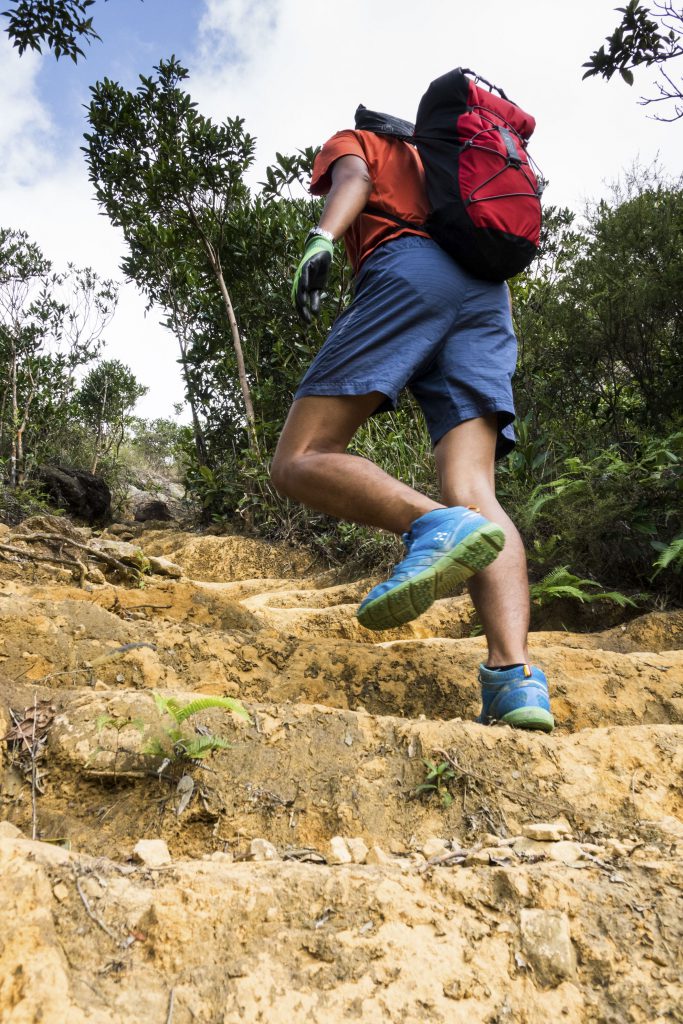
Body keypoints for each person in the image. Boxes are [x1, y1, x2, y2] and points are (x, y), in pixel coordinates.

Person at [270, 121, 554, 732]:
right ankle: (516, 681)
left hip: (410, 270)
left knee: (300, 457)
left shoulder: (361, 139)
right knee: (476, 491)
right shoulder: (449, 167)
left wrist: (323, 239)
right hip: (488, 297)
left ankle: (432, 526)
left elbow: (352, 177)